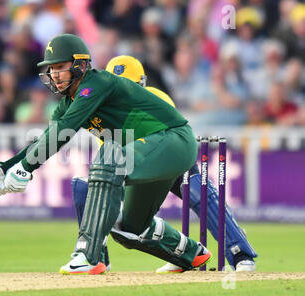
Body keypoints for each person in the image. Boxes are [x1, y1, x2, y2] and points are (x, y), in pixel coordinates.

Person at [0, 33, 211, 275]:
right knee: (129, 229)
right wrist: (4, 167)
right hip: (148, 152)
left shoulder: (97, 83)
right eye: (51, 69)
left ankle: (87, 255)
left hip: (174, 140)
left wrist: (25, 168)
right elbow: (47, 138)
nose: (54, 75)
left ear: (80, 65)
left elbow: (64, 131)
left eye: (60, 67)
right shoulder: (69, 103)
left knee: (108, 161)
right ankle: (191, 254)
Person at [72, 55, 257, 273]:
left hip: (167, 159)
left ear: (142, 83)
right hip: (136, 165)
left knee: (199, 190)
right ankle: (98, 257)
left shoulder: (157, 96)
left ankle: (241, 254)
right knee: (88, 189)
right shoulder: (103, 111)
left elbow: (167, 137)